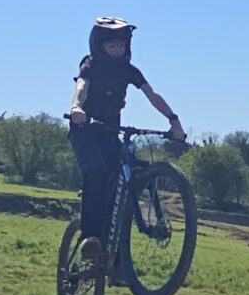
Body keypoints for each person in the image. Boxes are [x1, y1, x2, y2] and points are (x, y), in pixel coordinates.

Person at [68, 17, 184, 266]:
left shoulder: (129, 71)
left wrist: (174, 120)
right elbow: (81, 86)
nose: (117, 50)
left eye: (121, 45)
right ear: (99, 46)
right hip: (85, 130)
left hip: (110, 132)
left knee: (128, 175)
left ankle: (118, 259)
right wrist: (77, 107)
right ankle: (89, 239)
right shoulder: (90, 65)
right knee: (96, 172)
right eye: (111, 46)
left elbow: (152, 94)